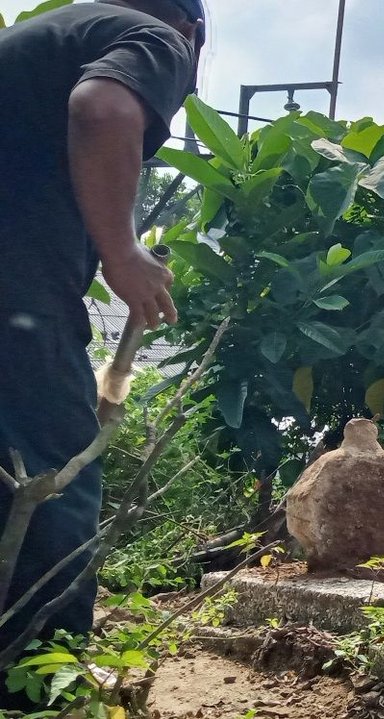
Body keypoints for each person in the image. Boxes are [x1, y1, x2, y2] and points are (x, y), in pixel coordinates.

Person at [0, 0, 202, 706]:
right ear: (193, 34)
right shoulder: (154, 38)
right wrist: (121, 250)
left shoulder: (42, 43)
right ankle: (43, 696)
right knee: (56, 483)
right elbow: (103, 108)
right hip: (15, 305)